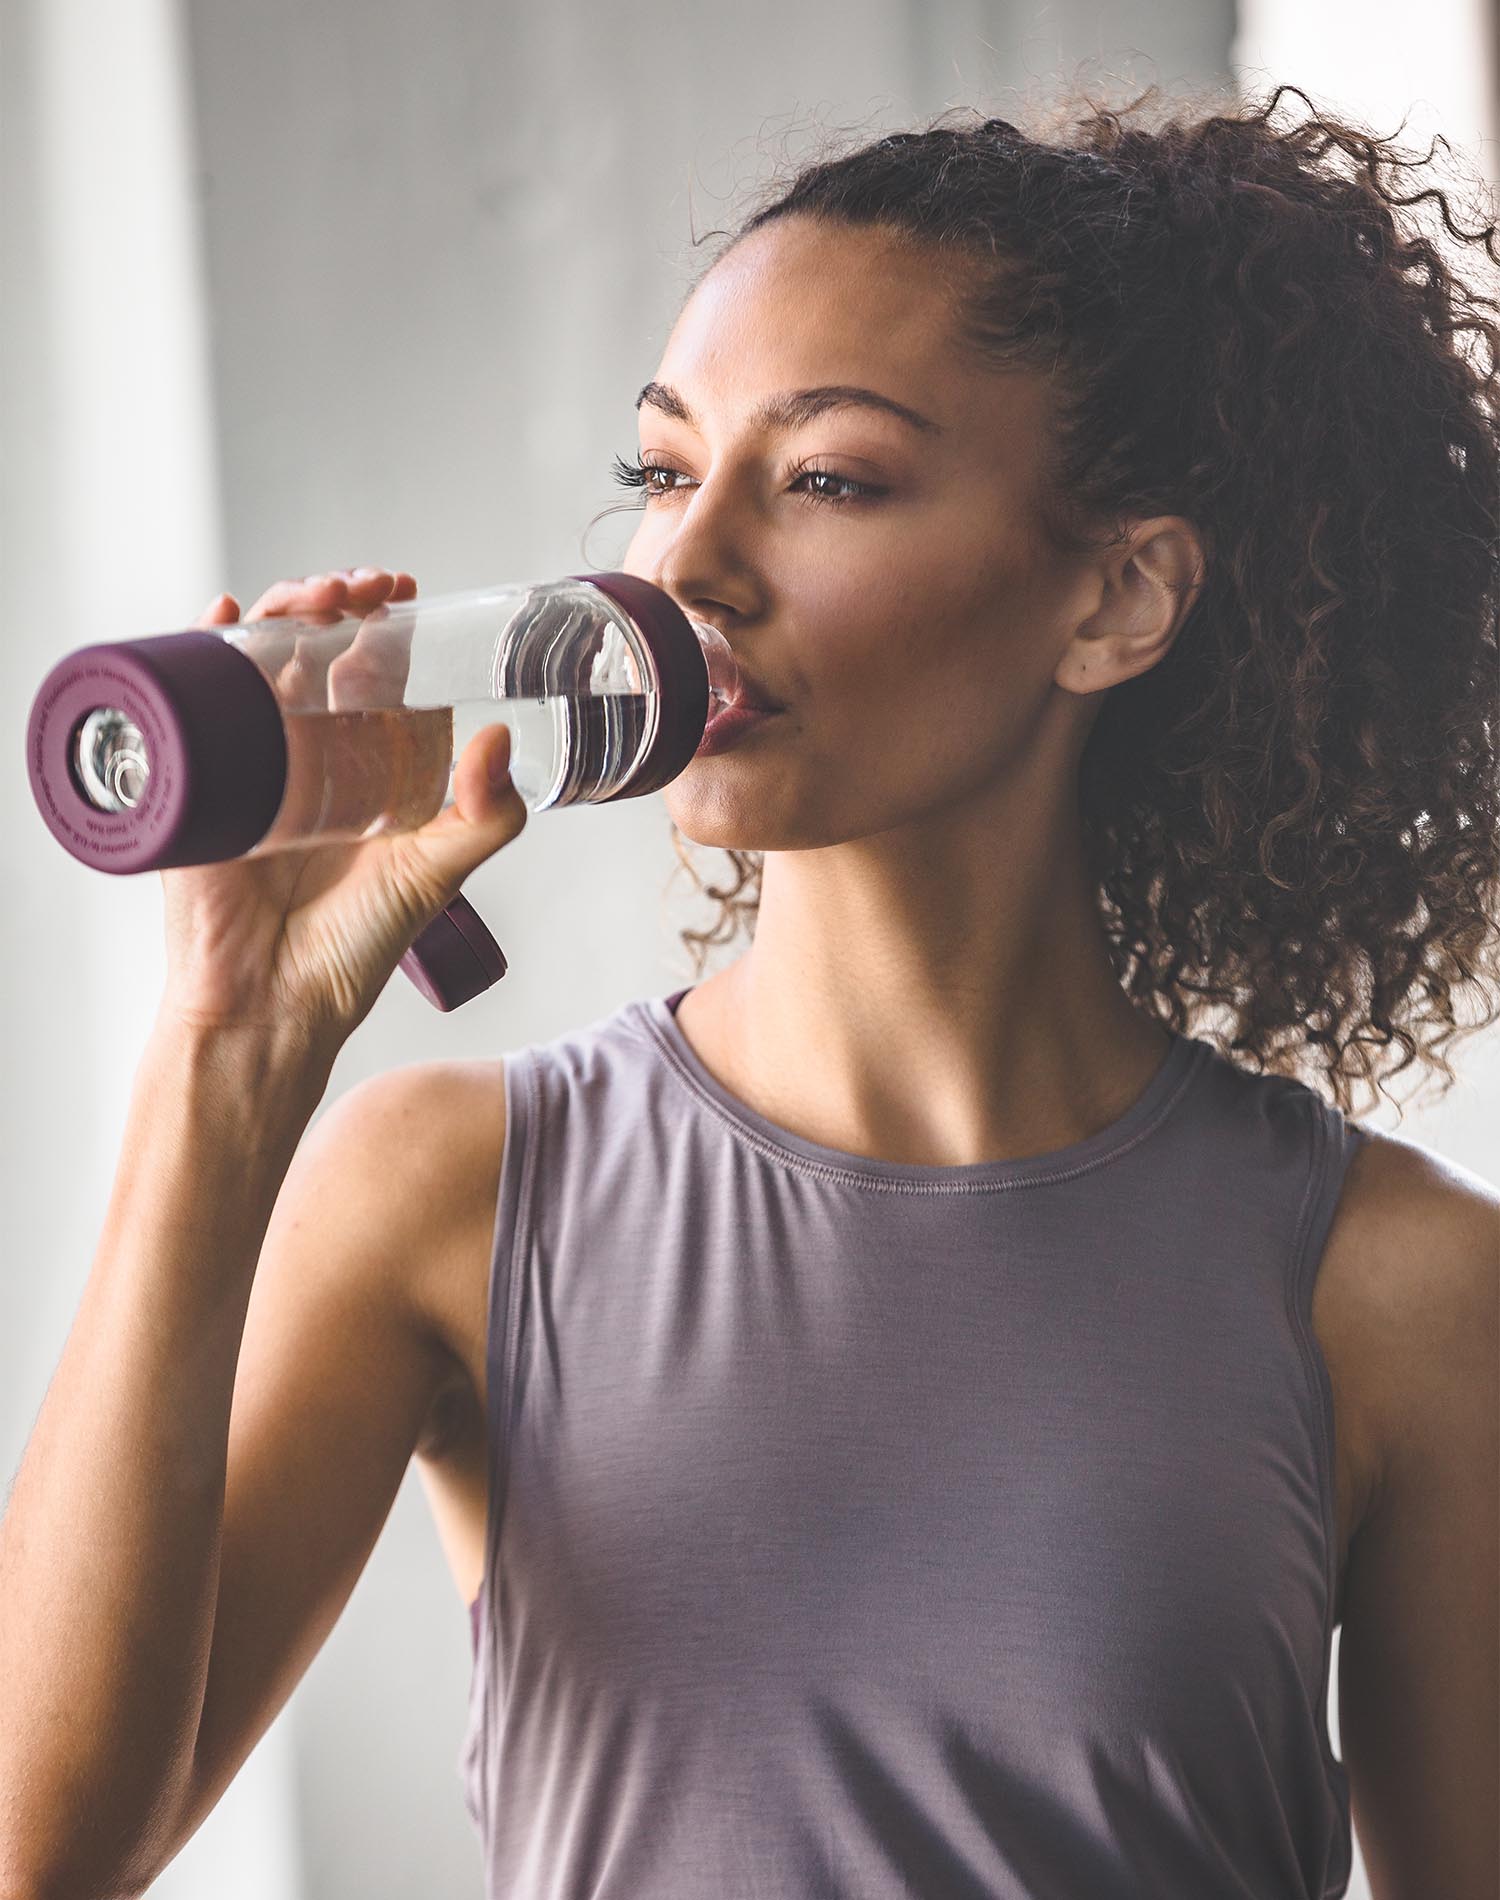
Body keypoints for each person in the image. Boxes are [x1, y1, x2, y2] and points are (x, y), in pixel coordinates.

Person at [2, 78, 1496, 1900]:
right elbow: (37, 1854)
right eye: (662, 469)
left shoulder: (1397, 1294)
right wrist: (225, 1054)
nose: (687, 565)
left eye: (827, 481)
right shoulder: (453, 1196)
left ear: (1114, 598)